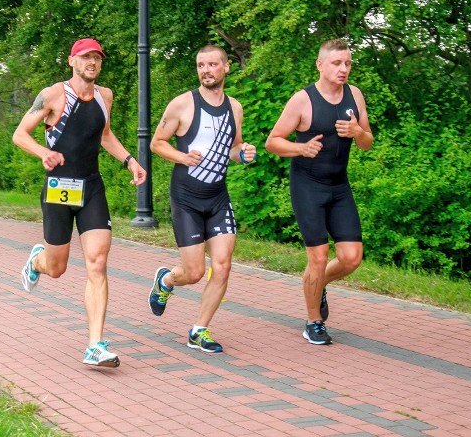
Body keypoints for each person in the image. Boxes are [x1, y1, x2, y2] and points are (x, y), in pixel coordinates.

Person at [12, 38, 146, 367]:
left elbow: (104, 135)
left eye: (97, 57)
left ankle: (95, 345)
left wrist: (130, 160)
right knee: (56, 268)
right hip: (59, 187)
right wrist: (44, 152)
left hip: (91, 186)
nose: (92, 62)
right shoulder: (52, 95)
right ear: (72, 60)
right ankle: (38, 261)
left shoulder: (105, 96)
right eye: (86, 56)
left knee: (97, 264)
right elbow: (20, 134)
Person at [149, 45, 256, 353]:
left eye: (212, 64)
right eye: (200, 65)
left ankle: (199, 330)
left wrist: (243, 154)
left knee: (222, 266)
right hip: (186, 197)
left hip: (218, 197)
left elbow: (232, 149)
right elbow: (157, 143)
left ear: (225, 68)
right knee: (194, 273)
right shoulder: (183, 104)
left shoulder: (235, 108)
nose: (206, 70)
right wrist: (182, 157)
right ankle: (167, 281)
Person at [265, 39, 373, 345]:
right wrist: (300, 147)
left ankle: (317, 284)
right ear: (320, 65)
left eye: (348, 63)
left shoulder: (355, 95)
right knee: (319, 257)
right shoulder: (303, 100)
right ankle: (313, 322)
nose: (343, 69)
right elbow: (273, 141)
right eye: (337, 63)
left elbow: (368, 143)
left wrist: (358, 133)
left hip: (339, 187)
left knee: (352, 258)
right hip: (308, 186)